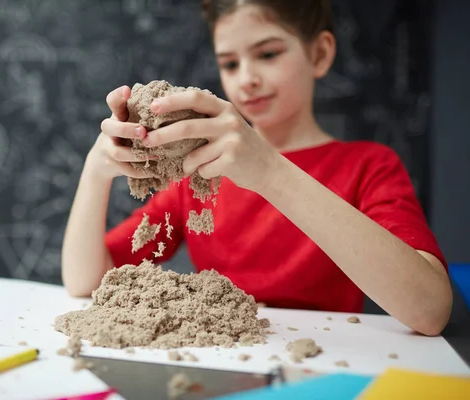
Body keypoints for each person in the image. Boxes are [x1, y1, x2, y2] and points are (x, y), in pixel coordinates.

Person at [61, 0, 452, 336]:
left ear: (319, 54)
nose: (247, 79)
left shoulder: (369, 166)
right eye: (230, 64)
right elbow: (85, 281)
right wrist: (96, 170)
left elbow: (430, 310)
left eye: (268, 54)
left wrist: (270, 171)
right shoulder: (198, 174)